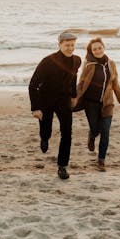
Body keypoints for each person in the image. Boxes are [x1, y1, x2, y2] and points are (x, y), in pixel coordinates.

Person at [28, 31, 81, 180]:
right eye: (67, 45)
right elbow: (33, 85)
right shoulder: (48, 61)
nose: (70, 48)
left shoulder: (77, 60)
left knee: (67, 133)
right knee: (46, 129)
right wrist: (35, 108)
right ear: (60, 44)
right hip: (46, 99)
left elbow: (73, 78)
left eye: (73, 45)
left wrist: (74, 95)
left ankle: (62, 166)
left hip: (64, 100)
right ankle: (44, 138)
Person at [75, 37, 120, 172]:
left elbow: (115, 84)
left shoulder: (111, 64)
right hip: (90, 103)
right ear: (91, 51)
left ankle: (101, 161)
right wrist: (74, 98)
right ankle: (91, 136)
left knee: (105, 132)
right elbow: (81, 83)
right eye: (94, 49)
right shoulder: (89, 65)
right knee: (95, 129)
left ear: (104, 47)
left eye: (99, 48)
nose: (97, 50)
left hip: (107, 104)